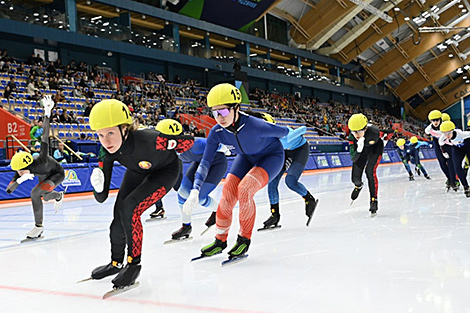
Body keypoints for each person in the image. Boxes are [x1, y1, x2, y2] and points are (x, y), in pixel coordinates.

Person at [87, 100, 194, 289]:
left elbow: (188, 141)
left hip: (165, 171)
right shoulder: (106, 152)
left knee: (130, 209)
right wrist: (97, 187)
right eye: (101, 135)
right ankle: (115, 263)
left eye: (111, 133)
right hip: (138, 171)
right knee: (118, 215)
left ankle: (133, 264)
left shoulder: (149, 139)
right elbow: (102, 197)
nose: (106, 141)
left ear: (125, 128)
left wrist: (174, 143)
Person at [184, 83, 295, 261]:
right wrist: (196, 190)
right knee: (228, 192)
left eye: (224, 111)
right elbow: (205, 162)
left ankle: (244, 239)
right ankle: (220, 241)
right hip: (245, 158)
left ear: (237, 107)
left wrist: (294, 144)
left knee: (245, 189)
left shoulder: (256, 125)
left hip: (271, 157)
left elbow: (286, 132)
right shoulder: (216, 132)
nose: (219, 117)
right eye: (215, 112)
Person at [6, 96, 65, 240]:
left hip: (57, 173)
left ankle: (38, 227)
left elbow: (45, 136)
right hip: (44, 176)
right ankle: (58, 196)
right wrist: (19, 180)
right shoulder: (20, 169)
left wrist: (47, 113)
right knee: (44, 197)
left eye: (21, 171)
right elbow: (9, 190)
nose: (19, 173)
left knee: (35, 193)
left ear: (27, 165)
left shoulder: (41, 159)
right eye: (18, 171)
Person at [255, 113, 318, 229]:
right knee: (272, 182)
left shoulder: (283, 133)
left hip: (300, 150)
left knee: (291, 181)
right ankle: (275, 214)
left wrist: (292, 135)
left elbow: (304, 128)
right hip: (284, 153)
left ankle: (309, 199)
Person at [169, 136, 229, 241]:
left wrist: (225, 150)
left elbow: (223, 147)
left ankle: (219, 211)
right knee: (182, 192)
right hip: (198, 162)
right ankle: (186, 227)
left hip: (216, 164)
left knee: (200, 197)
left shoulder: (197, 144)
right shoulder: (166, 149)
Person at [347, 113, 384, 217]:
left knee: (370, 172)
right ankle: (358, 186)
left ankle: (373, 200)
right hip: (362, 150)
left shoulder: (374, 132)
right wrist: (358, 149)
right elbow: (353, 158)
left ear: (365, 129)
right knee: (355, 179)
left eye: (358, 131)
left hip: (375, 149)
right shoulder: (351, 137)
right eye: (353, 132)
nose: (356, 135)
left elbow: (387, 133)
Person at [425, 110, 458, 191]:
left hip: (447, 144)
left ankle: (453, 181)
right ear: (430, 121)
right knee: (442, 163)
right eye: (433, 120)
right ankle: (450, 179)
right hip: (437, 143)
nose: (435, 122)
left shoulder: (445, 126)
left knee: (450, 163)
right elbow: (427, 133)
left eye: (437, 120)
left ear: (441, 119)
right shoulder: (429, 128)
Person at [438, 121, 470, 197]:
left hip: (468, 146)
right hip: (457, 149)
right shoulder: (442, 138)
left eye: (449, 133)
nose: (447, 135)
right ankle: (466, 186)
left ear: (453, 130)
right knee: (456, 167)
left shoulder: (462, 134)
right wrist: (444, 152)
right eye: (445, 133)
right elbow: (441, 144)